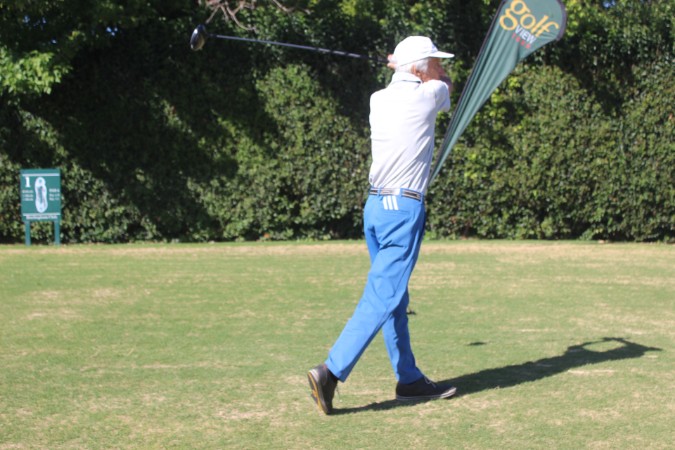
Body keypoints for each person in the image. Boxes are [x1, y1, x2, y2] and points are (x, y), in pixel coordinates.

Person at [307, 36, 458, 415]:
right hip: (403, 209)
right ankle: (330, 371)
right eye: (436, 61)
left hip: (375, 207)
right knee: (383, 295)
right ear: (421, 68)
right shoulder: (430, 93)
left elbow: (415, 77)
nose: (441, 67)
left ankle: (408, 379)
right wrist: (414, 69)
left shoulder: (378, 98)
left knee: (394, 296)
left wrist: (404, 67)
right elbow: (447, 86)